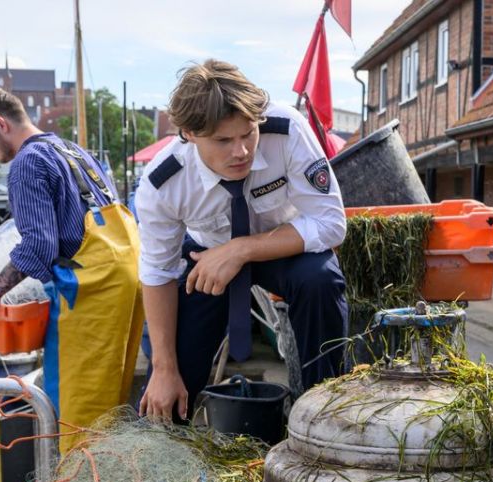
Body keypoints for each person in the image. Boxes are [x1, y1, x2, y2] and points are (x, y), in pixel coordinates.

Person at [135, 59, 348, 421]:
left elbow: (331, 223)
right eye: (223, 140)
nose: (242, 152)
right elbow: (158, 273)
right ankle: (166, 448)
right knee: (171, 381)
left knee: (320, 279)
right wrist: (163, 366)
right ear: (188, 133)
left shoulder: (286, 129)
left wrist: (241, 249)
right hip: (207, 256)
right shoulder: (162, 183)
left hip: (280, 245)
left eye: (248, 134)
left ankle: (323, 416)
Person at [0, 88, 144, 451]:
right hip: (127, 277)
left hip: (90, 290)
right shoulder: (73, 151)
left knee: (77, 410)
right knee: (110, 400)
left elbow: (39, 246)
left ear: (0, 124)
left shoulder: (26, 163)